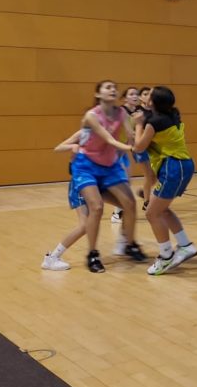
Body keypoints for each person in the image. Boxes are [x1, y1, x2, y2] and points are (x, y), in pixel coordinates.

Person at [53, 80, 141, 272]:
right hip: (86, 167)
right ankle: (92, 254)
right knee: (97, 208)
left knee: (130, 203)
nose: (113, 89)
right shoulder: (91, 116)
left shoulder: (122, 113)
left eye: (114, 87)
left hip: (109, 166)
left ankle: (129, 244)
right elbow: (109, 138)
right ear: (98, 94)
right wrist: (131, 148)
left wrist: (139, 130)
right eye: (107, 87)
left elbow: (130, 134)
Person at [133, 86, 197, 276]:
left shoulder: (154, 122)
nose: (145, 96)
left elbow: (138, 147)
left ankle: (166, 256)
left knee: (152, 214)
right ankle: (186, 245)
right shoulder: (171, 114)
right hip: (180, 165)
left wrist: (138, 124)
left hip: (174, 167)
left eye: (149, 95)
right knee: (162, 209)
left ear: (153, 102)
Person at [41, 129, 125, 271]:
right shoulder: (84, 133)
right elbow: (58, 147)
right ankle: (52, 257)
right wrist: (74, 147)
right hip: (81, 183)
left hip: (99, 182)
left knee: (127, 206)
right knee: (85, 226)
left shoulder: (110, 134)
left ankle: (124, 244)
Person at [111, 86, 155, 225]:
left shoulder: (136, 112)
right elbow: (130, 133)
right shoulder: (121, 111)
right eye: (131, 94)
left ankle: (118, 210)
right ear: (125, 98)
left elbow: (133, 136)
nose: (135, 96)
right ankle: (116, 213)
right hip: (113, 149)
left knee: (124, 181)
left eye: (137, 94)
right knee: (121, 182)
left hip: (123, 150)